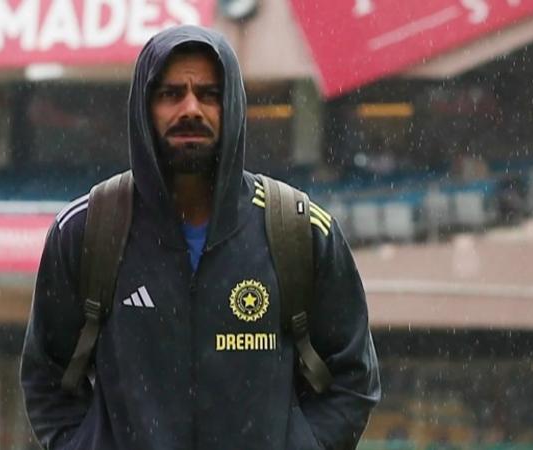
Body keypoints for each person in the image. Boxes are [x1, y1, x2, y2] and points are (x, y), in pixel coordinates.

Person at [20, 25, 380, 450]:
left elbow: (353, 379)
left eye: (208, 94)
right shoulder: (85, 231)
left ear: (232, 107)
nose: (191, 109)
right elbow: (47, 378)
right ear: (144, 107)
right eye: (171, 94)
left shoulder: (300, 229)